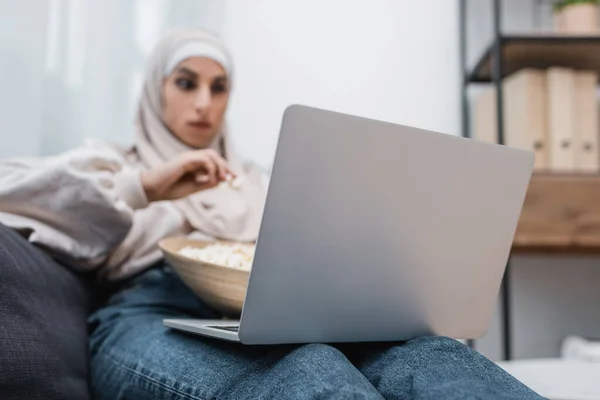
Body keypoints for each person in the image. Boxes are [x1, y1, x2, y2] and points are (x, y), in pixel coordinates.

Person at [0, 27, 544, 400]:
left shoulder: (259, 181)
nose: (203, 104)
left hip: (263, 315)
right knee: (309, 373)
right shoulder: (114, 162)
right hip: (147, 313)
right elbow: (11, 189)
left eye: (219, 87)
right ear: (155, 88)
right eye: (185, 82)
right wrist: (145, 185)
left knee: (432, 358)